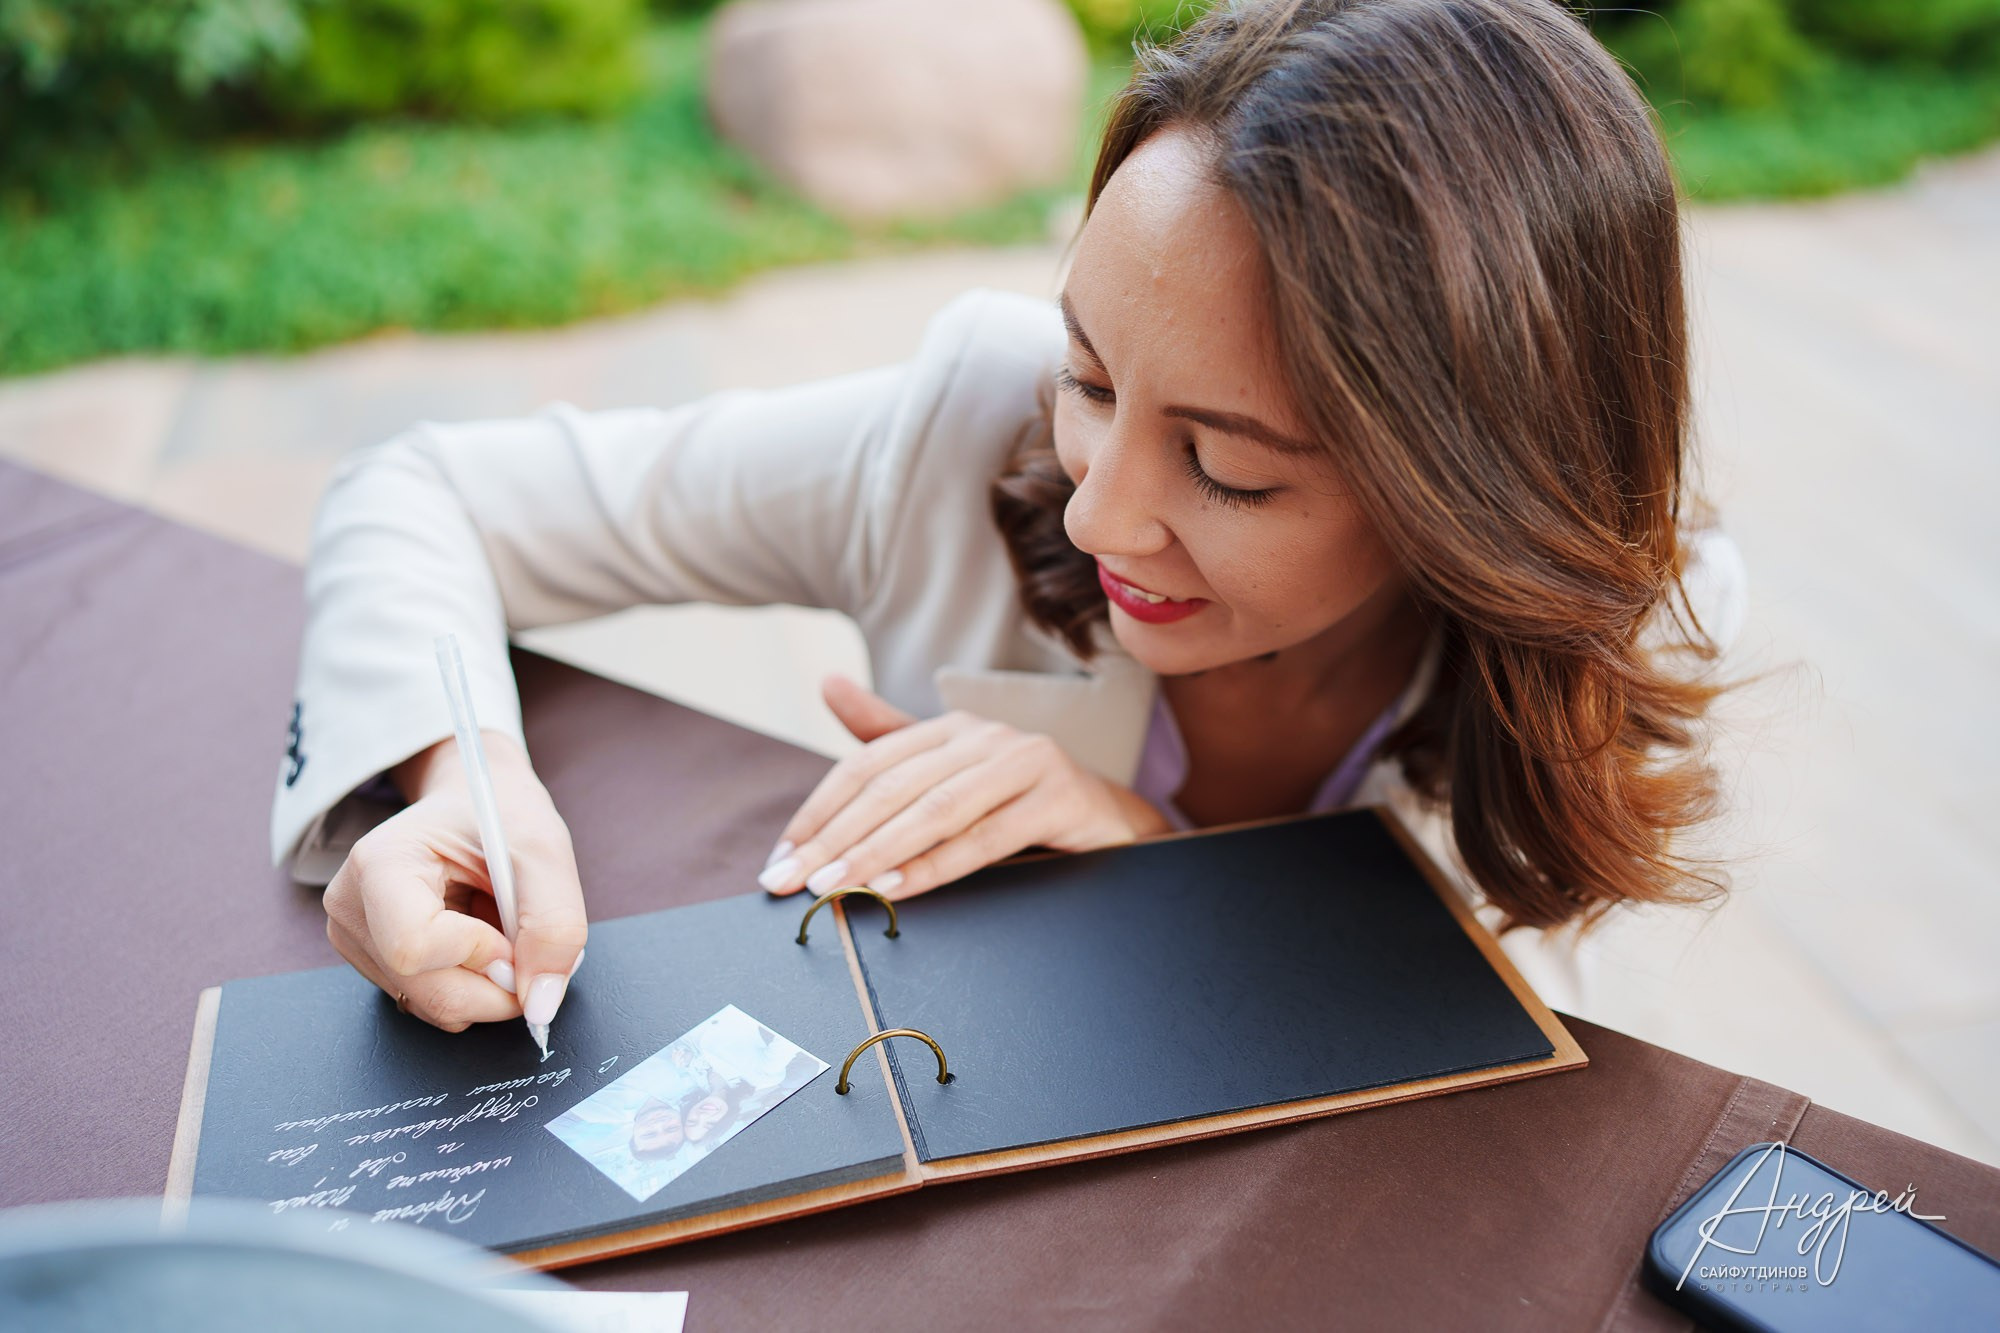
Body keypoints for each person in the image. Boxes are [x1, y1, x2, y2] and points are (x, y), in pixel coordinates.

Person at [275, 0, 1744, 1037]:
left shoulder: (1609, 624)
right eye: (1093, 379)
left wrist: (1147, 848)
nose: (1101, 512)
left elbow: (1507, 1037)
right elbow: (427, 486)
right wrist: (454, 777)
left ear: (1470, 490)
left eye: (1228, 470)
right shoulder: (968, 417)